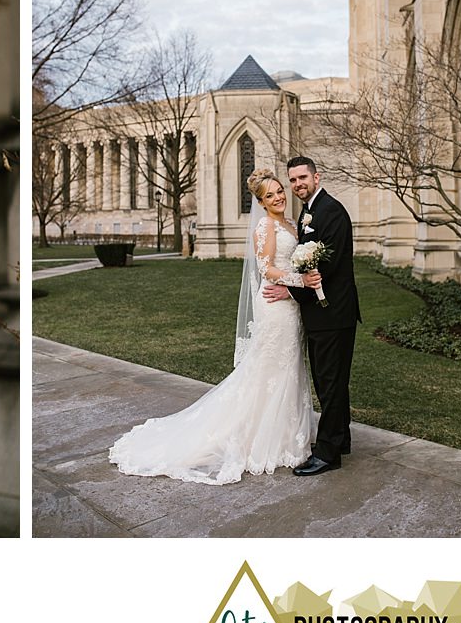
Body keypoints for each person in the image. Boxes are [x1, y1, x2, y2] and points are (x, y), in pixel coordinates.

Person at [108, 169, 318, 484]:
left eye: (279, 191)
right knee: (272, 369)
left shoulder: (291, 223)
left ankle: (288, 432)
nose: (278, 197)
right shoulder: (266, 226)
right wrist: (299, 279)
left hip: (290, 306)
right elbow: (267, 269)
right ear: (261, 202)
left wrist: (302, 275)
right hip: (275, 306)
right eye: (270, 195)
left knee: (287, 368)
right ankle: (264, 439)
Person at [262, 156, 360, 476]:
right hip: (324, 313)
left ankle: (328, 453)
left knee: (329, 383)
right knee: (332, 381)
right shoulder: (309, 211)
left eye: (302, 177)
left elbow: (325, 269)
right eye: (292, 180)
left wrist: (290, 291)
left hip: (332, 312)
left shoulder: (330, 212)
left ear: (316, 176)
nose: (297, 184)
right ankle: (340, 438)